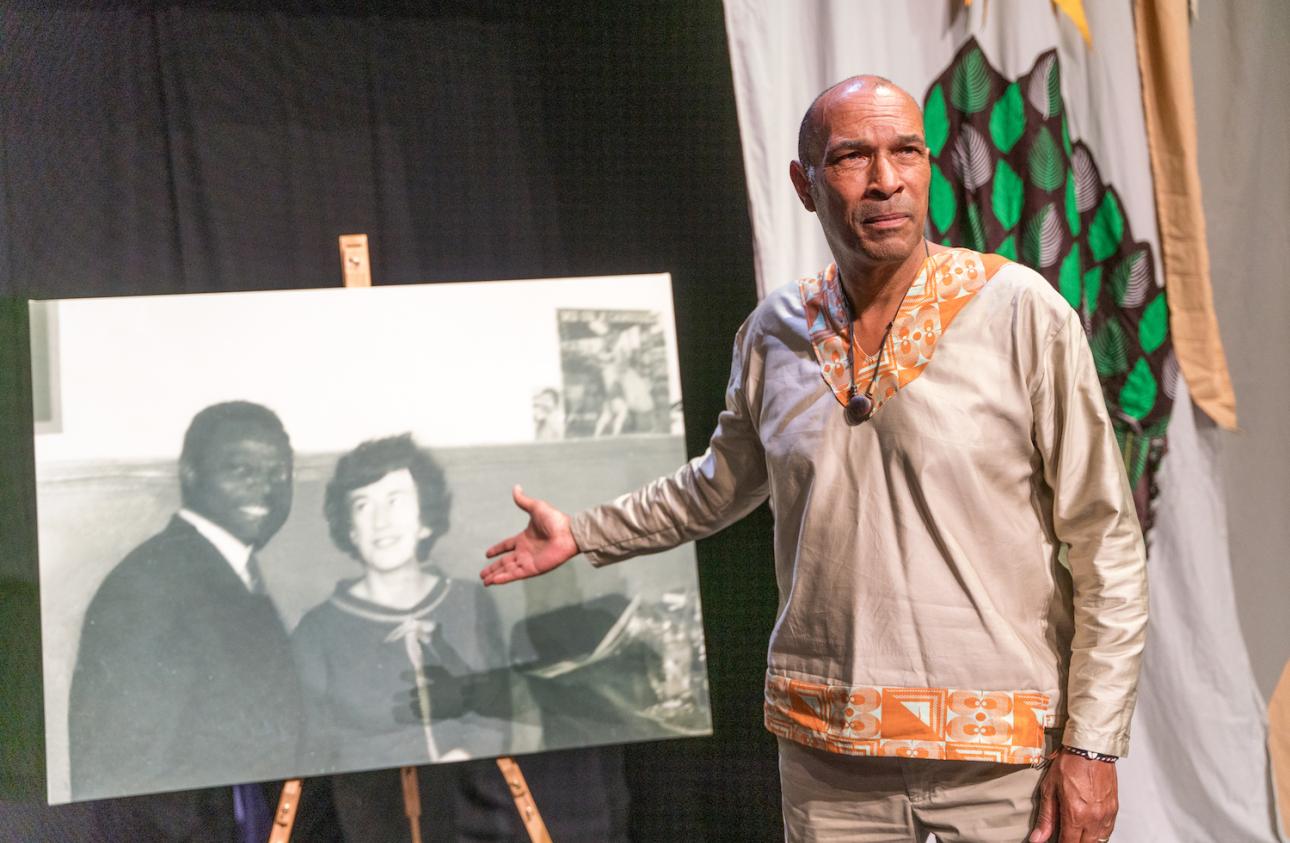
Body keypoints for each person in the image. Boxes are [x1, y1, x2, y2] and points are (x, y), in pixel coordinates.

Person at [481, 76, 1146, 843]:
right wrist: (585, 531)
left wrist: (1092, 744)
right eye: (851, 157)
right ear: (804, 183)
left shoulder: (1020, 311)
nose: (885, 180)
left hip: (997, 758)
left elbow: (1106, 542)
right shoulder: (775, 331)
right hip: (829, 762)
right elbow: (715, 486)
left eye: (906, 152)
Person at [68, 401, 303, 835]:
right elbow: (127, 774)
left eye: (278, 474)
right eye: (241, 470)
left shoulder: (226, 567)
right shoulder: (148, 587)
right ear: (190, 473)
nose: (266, 490)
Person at [292, 433, 515, 838]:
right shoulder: (317, 631)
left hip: (472, 814)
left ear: (425, 518)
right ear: (350, 528)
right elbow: (317, 753)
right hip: (370, 823)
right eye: (363, 505)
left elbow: (496, 714)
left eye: (396, 500)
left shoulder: (469, 603)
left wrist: (463, 757)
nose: (382, 521)